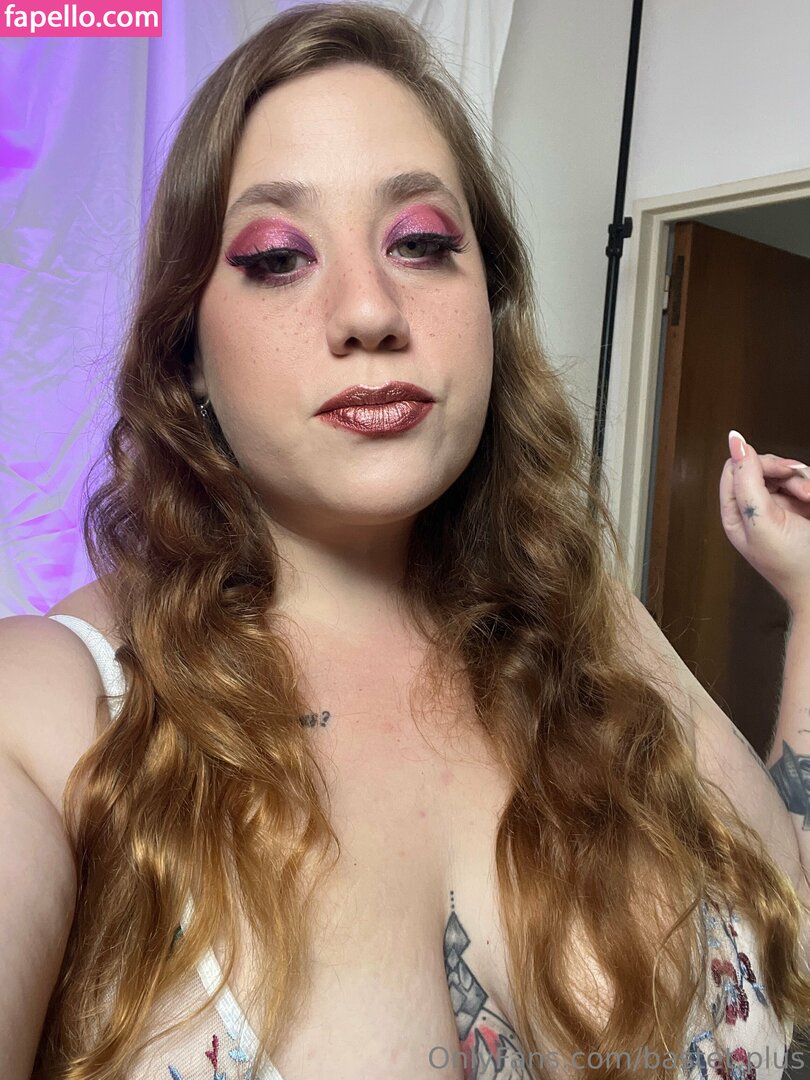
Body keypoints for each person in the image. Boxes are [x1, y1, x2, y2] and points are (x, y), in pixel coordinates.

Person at [2, 3, 809, 1078]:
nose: (371, 309)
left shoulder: (592, 630)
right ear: (187, 351)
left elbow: (785, 894)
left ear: (491, 307)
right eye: (278, 257)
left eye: (422, 244)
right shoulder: (54, 709)